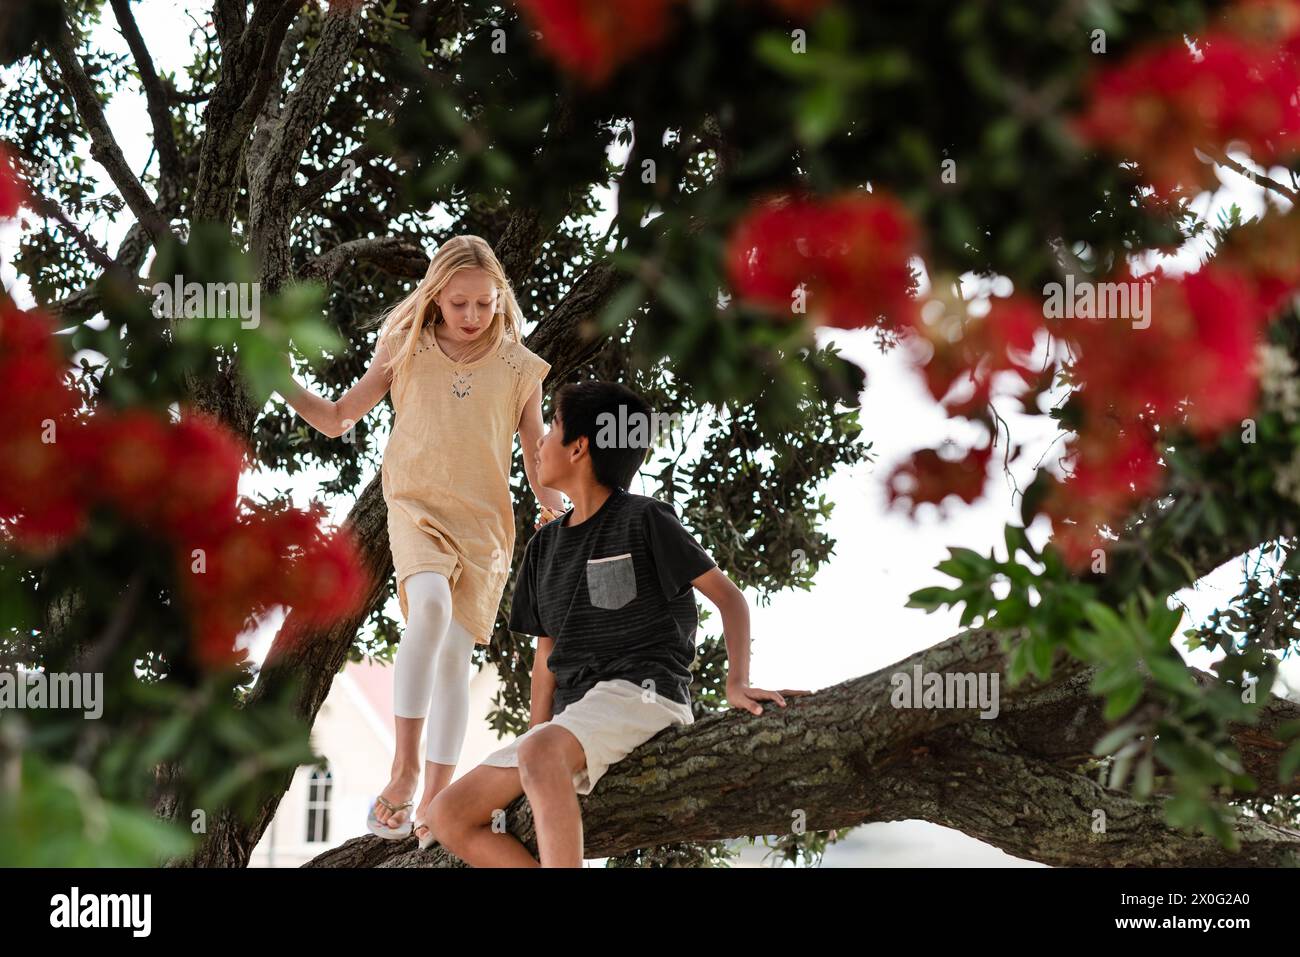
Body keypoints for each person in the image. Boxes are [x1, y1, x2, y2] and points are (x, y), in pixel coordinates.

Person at [430, 380, 806, 866]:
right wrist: (534, 742)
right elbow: (547, 655)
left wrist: (737, 684)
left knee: (540, 753)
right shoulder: (543, 549)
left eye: (553, 427)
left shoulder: (644, 518)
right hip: (572, 722)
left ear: (580, 447)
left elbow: (730, 600)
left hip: (642, 695)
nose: (540, 440)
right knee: (448, 814)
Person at [278, 235, 565, 846]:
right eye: (459, 303)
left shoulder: (520, 367)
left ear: (499, 301)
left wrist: (556, 505)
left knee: (457, 662)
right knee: (428, 610)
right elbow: (337, 418)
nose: (472, 316)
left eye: (485, 305)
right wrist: (277, 380)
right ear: (435, 297)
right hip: (416, 510)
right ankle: (404, 769)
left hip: (485, 530)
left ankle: (436, 797)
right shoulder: (403, 346)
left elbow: (535, 454)